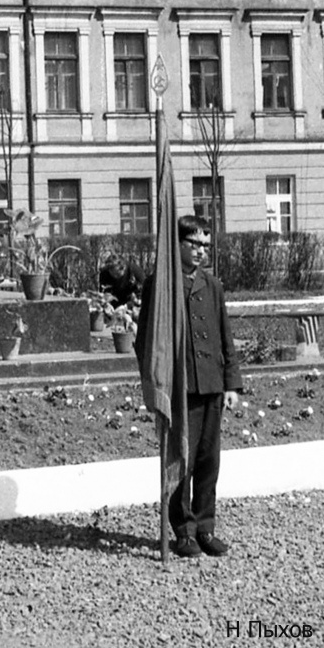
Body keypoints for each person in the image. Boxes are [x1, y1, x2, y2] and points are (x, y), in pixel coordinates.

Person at [136, 215, 242, 558]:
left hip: (210, 383)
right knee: (182, 460)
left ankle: (205, 527)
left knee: (209, 460)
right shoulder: (161, 286)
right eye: (193, 244)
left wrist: (231, 384)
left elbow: (226, 338)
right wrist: (157, 386)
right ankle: (183, 531)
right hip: (181, 388)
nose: (200, 252)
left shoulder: (213, 286)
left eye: (206, 246)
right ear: (177, 244)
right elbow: (146, 341)